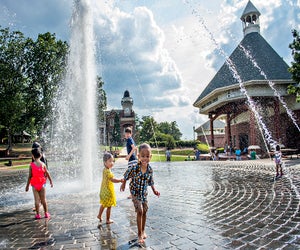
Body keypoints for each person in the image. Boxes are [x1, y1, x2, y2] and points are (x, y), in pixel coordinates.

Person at [120, 143, 160, 244]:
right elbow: (126, 174)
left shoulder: (150, 170)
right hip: (135, 192)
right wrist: (123, 184)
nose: (145, 158)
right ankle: (139, 235)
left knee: (145, 211)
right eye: (142, 156)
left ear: (150, 157)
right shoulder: (135, 168)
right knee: (140, 211)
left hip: (144, 193)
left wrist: (154, 190)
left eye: (147, 156)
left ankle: (143, 230)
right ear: (138, 157)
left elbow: (151, 181)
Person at [25, 148, 53, 219]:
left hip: (34, 185)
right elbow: (47, 173)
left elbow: (30, 176)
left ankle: (38, 215)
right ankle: (46, 213)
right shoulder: (43, 164)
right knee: (43, 200)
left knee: (36, 201)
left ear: (33, 156)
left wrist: (27, 186)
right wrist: (51, 181)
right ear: (40, 155)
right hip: (42, 185)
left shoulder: (31, 165)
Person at [97, 153, 123, 224]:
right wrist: (120, 180)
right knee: (109, 206)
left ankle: (99, 215)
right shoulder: (108, 171)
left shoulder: (105, 169)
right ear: (105, 162)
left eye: (113, 161)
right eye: (110, 161)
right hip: (108, 191)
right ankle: (108, 219)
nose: (112, 163)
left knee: (104, 204)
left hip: (104, 190)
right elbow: (113, 180)